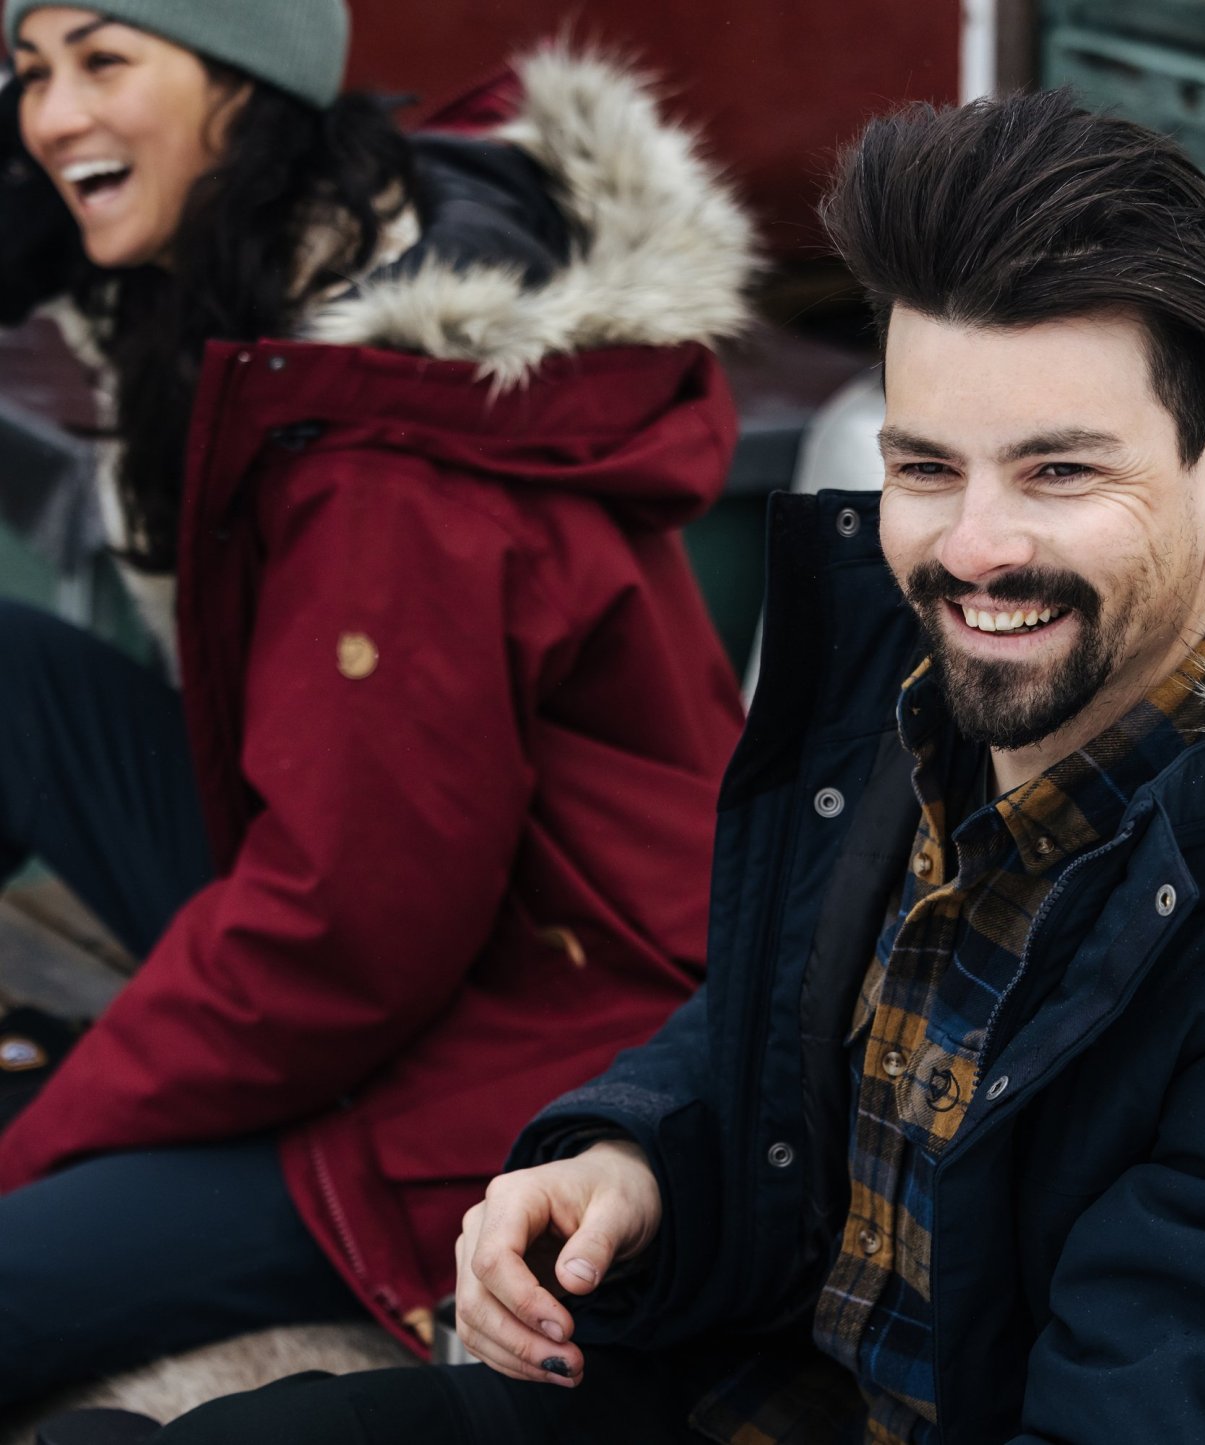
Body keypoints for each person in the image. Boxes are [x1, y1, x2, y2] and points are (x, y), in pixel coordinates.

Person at [146, 90, 1205, 1445]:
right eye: (925, 466)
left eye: (1059, 472)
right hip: (738, 1388)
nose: (975, 549)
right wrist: (633, 1158)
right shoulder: (929, 667)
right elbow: (792, 1018)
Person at [0, 0, 753, 1408]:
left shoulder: (385, 463)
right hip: (416, 897)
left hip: (539, 1034)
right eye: (28, 73)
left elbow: (339, 945)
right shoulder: (343, 236)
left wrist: (44, 1142)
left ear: (250, 79)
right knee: (15, 671)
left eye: (103, 60)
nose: (51, 117)